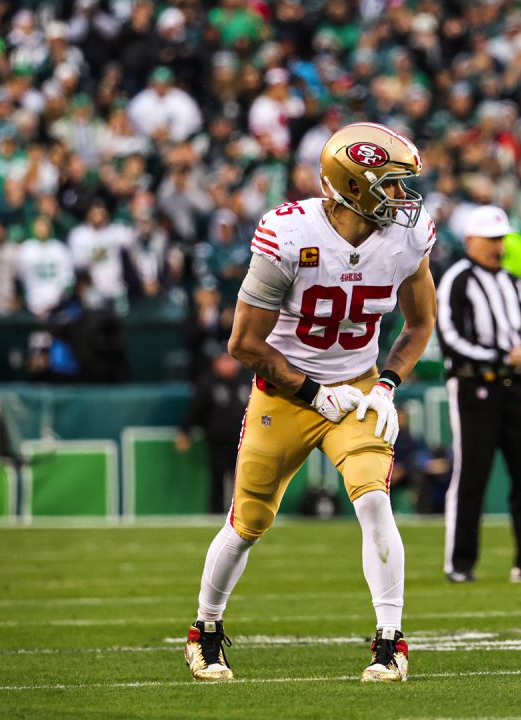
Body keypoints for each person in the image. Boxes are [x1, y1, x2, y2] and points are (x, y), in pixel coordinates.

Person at [185, 123, 437, 684]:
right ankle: (205, 629)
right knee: (247, 522)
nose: (404, 198)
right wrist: (312, 393)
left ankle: (390, 643)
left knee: (375, 502)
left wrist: (389, 383)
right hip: (286, 393)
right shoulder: (289, 234)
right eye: (391, 186)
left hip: (358, 388)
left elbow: (420, 324)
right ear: (354, 188)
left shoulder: (407, 236)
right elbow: (243, 344)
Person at [435, 204, 521, 585]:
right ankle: (460, 563)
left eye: (501, 239)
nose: (498, 247)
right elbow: (451, 338)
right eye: (491, 239)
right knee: (472, 474)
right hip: (475, 385)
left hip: (514, 386)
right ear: (471, 240)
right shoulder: (457, 279)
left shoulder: (512, 282)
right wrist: (505, 354)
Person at [176, 353, 252, 514]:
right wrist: (185, 432)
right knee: (218, 478)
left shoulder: (246, 380)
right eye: (224, 360)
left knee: (242, 480)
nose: (229, 364)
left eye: (232, 360)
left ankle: (242, 515)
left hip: (244, 441)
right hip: (218, 442)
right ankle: (215, 514)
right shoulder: (208, 382)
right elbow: (195, 409)